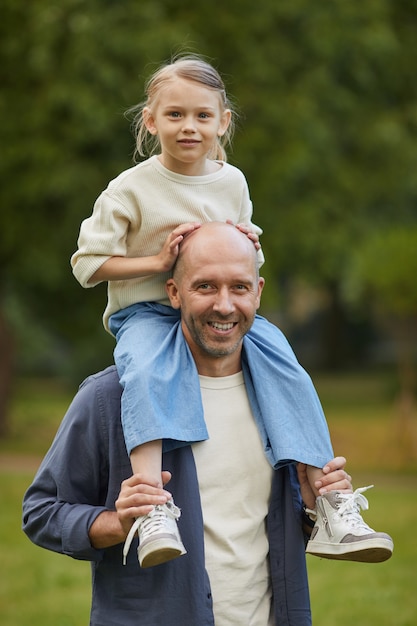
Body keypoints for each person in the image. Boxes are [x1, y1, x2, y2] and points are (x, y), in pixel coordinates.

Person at [70, 55, 390, 569]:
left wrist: (248, 241)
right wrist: (158, 261)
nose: (188, 127)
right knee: (148, 370)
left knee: (285, 363)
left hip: (216, 310)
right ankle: (153, 504)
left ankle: (328, 498)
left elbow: (249, 252)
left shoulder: (232, 182)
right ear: (151, 122)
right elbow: (87, 265)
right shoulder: (130, 188)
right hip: (148, 314)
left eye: (202, 115)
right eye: (174, 115)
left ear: (223, 121)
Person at [23, 223, 392, 625]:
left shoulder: (283, 398)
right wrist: (116, 523)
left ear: (259, 291)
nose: (225, 305)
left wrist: (308, 507)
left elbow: (261, 530)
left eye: (239, 287)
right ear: (174, 292)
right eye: (205, 287)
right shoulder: (111, 396)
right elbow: (41, 512)